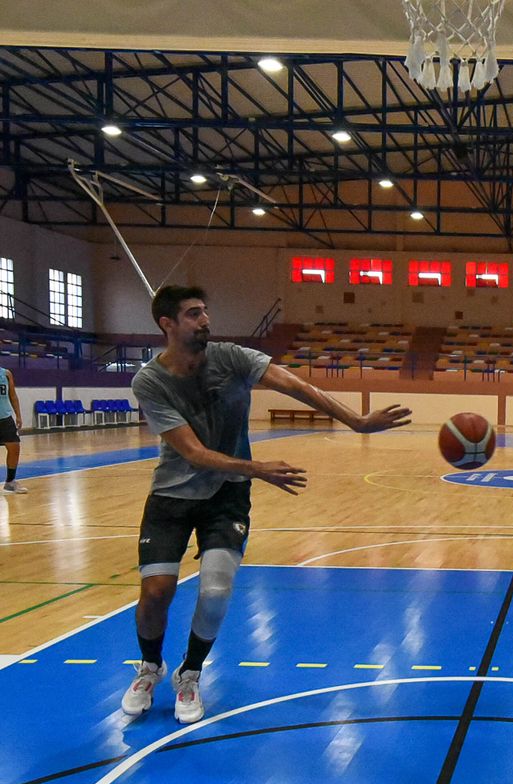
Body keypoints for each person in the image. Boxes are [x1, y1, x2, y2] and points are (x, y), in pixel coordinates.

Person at [121, 285, 411, 723]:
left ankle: (190, 673)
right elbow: (194, 453)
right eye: (194, 314)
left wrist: (356, 420)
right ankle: (149, 666)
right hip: (171, 495)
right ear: (168, 324)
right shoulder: (149, 381)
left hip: (228, 494)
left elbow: (296, 385)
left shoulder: (232, 357)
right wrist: (258, 468)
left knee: (216, 591)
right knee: (156, 593)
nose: (205, 320)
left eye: (205, 311)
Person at [0, 363, 25, 494]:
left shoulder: (6, 374)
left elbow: (13, 395)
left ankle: (10, 482)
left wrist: (18, 415)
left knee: (14, 447)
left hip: (5, 417)